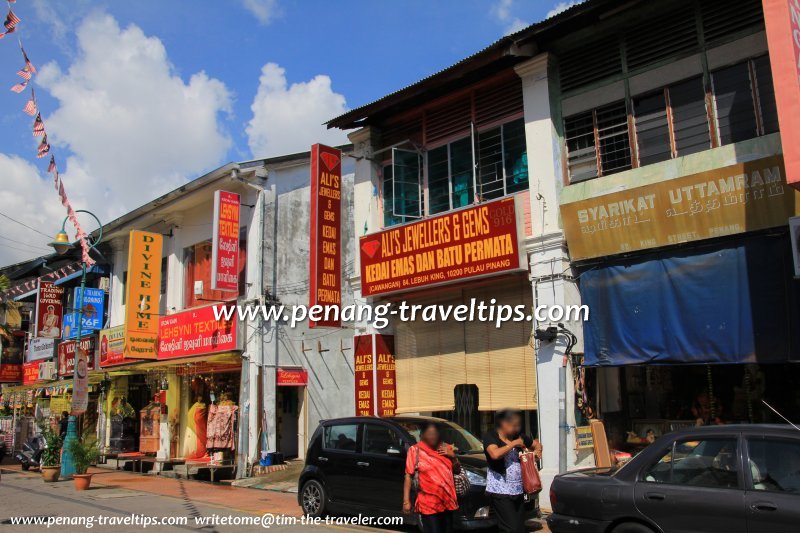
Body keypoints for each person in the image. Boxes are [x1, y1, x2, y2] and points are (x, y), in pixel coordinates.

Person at [483, 410, 543, 533]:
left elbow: (537, 445)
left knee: (520, 528)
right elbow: (494, 454)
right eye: (513, 425)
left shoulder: (519, 437)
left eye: (517, 425)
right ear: (503, 423)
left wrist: (536, 453)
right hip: (500, 490)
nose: (516, 428)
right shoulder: (492, 436)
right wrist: (514, 444)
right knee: (510, 528)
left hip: (518, 490)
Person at [403, 423, 459, 533]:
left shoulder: (446, 448)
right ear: (422, 435)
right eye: (429, 434)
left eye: (434, 433)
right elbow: (408, 476)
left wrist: (453, 457)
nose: (432, 436)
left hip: (448, 501)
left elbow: (457, 471)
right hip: (428, 503)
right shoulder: (415, 450)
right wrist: (406, 501)